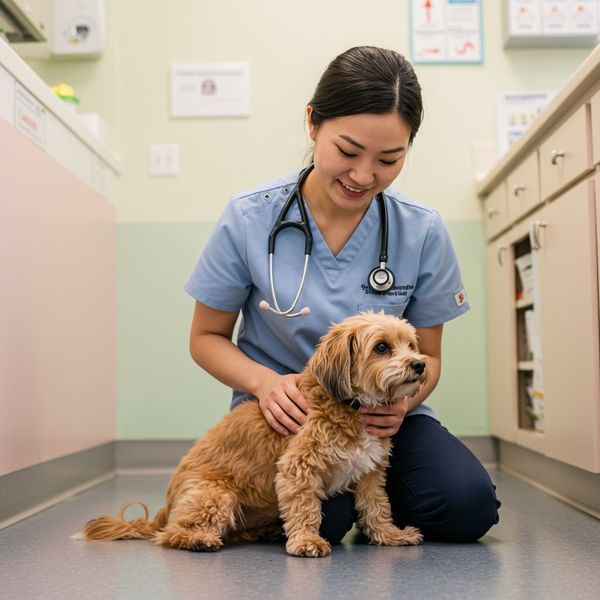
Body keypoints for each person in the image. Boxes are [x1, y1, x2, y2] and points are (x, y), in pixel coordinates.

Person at [184, 46, 500, 544]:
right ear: (313, 123)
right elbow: (205, 336)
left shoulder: (421, 230)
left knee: (466, 506)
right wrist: (265, 383)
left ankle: (375, 489)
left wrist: (401, 404)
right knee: (320, 519)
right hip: (286, 422)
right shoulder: (249, 218)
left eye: (389, 159)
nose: (363, 176)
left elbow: (429, 358)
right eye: (348, 152)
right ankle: (353, 498)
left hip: (386, 419)